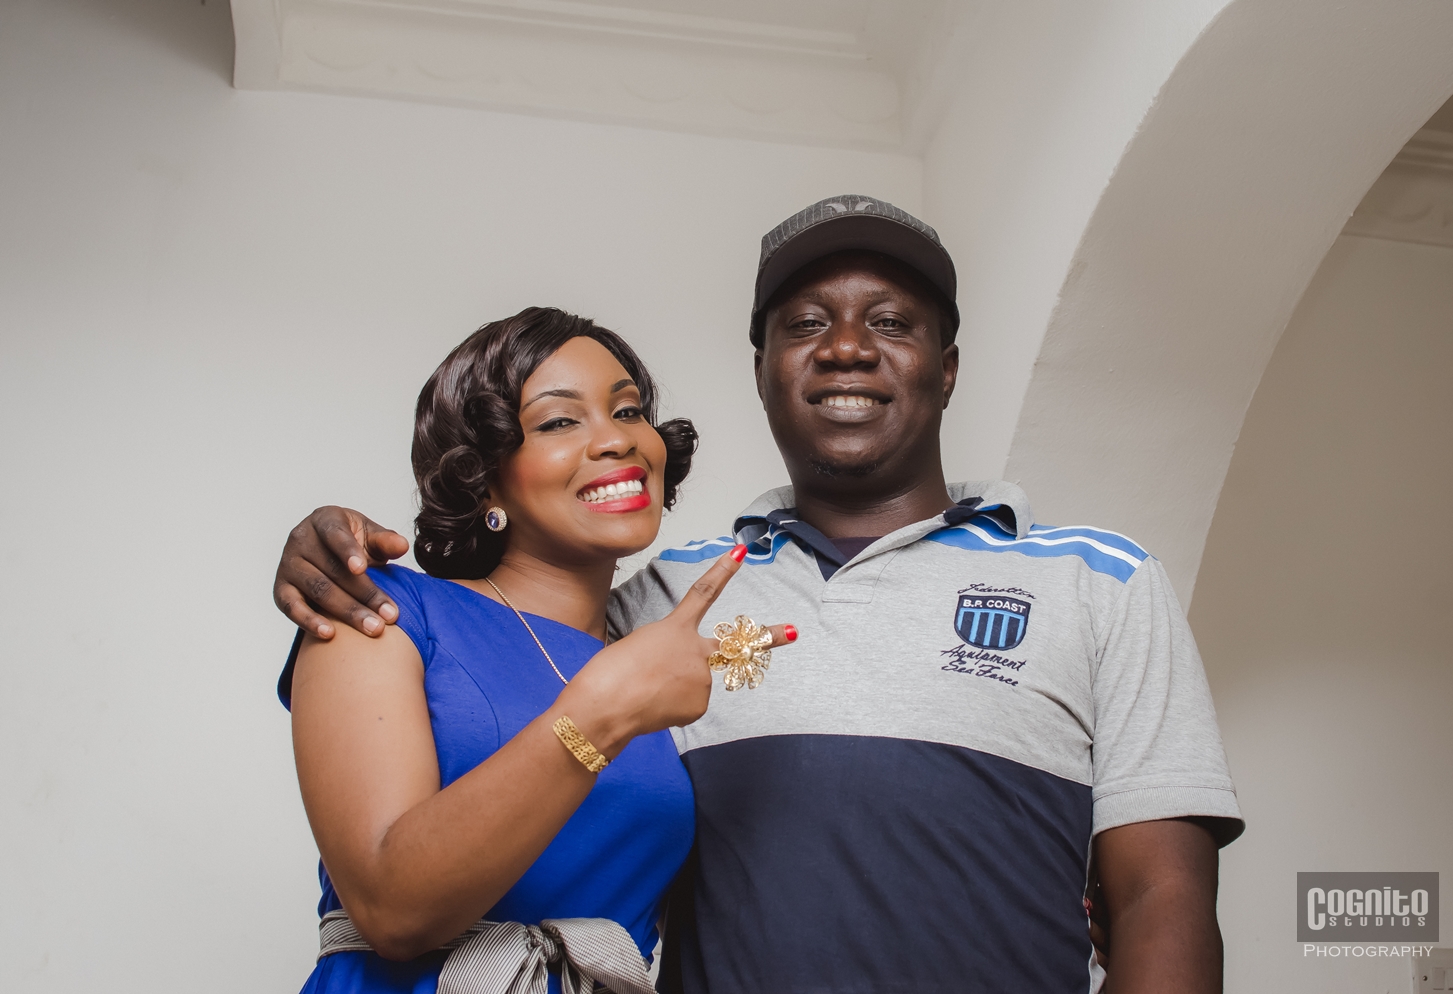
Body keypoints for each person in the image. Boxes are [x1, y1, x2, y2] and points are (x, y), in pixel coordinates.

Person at [274, 196, 1244, 994]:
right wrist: (323, 548)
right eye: (807, 324)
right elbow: (494, 637)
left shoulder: (1101, 581)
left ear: (947, 370)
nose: (847, 347)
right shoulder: (659, 602)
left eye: (892, 322)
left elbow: (1160, 901)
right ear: (763, 372)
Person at [277, 306, 793, 994]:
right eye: (558, 421)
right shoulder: (381, 610)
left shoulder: (659, 653)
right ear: (483, 474)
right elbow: (391, 910)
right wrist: (598, 715)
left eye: (629, 411)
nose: (616, 439)